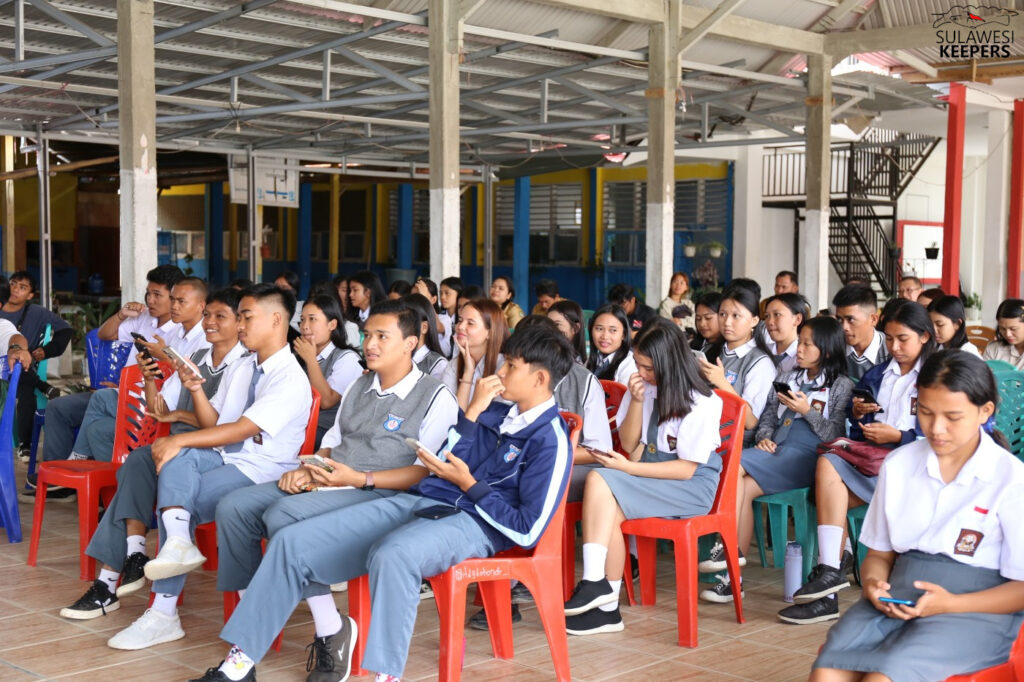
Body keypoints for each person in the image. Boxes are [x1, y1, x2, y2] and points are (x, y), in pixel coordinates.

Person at [195, 324, 575, 682]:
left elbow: (528, 529)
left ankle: (386, 675)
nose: (500, 373)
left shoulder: (550, 440)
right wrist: (473, 413)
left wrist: (470, 486)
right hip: (423, 501)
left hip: (475, 523)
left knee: (395, 554)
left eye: (511, 366)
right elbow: (445, 458)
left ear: (539, 379)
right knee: (290, 541)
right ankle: (239, 665)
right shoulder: (493, 411)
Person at [211, 300, 459, 665]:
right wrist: (311, 468)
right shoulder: (360, 384)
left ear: (409, 343)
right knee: (235, 506)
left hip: (382, 493)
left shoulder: (434, 396)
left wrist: (358, 478)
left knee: (283, 514)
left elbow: (427, 471)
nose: (369, 344)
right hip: (334, 479)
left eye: (382, 337)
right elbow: (332, 444)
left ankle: (318, 625)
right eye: (367, 335)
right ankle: (259, 604)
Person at [93, 284, 312, 650]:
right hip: (228, 458)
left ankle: (163, 611)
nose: (240, 325)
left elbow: (242, 429)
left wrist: (179, 439)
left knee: (180, 492)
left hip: (262, 470)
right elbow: (215, 423)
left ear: (276, 321)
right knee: (172, 470)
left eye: (246, 317)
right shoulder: (246, 366)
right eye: (239, 317)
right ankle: (174, 554)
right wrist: (194, 391)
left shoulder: (288, 377)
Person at [810, 351, 1024, 681]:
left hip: (974, 610)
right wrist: (873, 585)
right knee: (827, 672)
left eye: (952, 417)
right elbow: (879, 555)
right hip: (898, 601)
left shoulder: (1010, 478)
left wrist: (949, 604)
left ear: (985, 411)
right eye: (925, 412)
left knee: (884, 677)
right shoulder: (899, 464)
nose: (936, 429)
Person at [56, 289, 247, 626]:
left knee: (146, 471)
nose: (210, 323)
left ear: (239, 323)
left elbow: (220, 427)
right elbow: (159, 409)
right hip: (176, 446)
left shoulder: (243, 365)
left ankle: (110, 583)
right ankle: (133, 555)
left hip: (212, 454)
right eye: (208, 316)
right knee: (138, 461)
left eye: (221, 317)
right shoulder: (197, 356)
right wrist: (149, 378)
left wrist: (182, 415)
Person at [779, 301, 934, 625]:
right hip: (877, 465)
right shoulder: (880, 374)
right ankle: (829, 574)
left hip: (918, 470)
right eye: (889, 338)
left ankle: (828, 588)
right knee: (828, 463)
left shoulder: (938, 376)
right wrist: (859, 414)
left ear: (924, 336)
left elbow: (946, 433)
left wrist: (899, 436)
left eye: (903, 339)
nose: (894, 347)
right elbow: (856, 423)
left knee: (829, 495)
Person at [563, 321, 723, 635]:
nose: (641, 373)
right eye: (637, 364)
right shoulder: (644, 388)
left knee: (598, 479)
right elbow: (628, 440)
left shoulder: (703, 401)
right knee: (608, 508)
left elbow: (685, 469)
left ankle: (595, 584)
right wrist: (636, 401)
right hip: (652, 475)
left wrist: (628, 469)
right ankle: (607, 609)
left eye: (648, 367)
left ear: (669, 363)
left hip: (689, 487)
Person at [466, 315, 612, 629]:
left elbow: (599, 449)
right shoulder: (508, 387)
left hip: (569, 465)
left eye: (513, 363)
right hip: (512, 465)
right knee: (494, 485)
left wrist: (534, 458)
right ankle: (501, 589)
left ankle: (508, 585)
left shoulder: (583, 381)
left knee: (517, 495)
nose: (504, 370)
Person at [702, 317, 853, 603]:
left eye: (807, 344)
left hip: (808, 457)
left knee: (731, 465)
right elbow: (769, 417)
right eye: (800, 342)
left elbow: (834, 434)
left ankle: (727, 549)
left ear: (827, 350)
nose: (800, 349)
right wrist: (764, 437)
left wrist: (807, 411)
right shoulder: (788, 376)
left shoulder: (840, 385)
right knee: (742, 489)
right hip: (777, 450)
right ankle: (733, 577)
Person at [35, 277, 209, 477]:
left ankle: (76, 461)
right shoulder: (163, 326)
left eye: (178, 300)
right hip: (139, 396)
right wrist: (122, 315)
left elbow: (189, 377)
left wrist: (162, 358)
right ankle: (101, 486)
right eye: (149, 294)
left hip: (155, 405)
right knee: (95, 428)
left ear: (200, 305)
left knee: (101, 400)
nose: (152, 300)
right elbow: (103, 335)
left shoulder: (193, 335)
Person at [0, 270, 73, 453]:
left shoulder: (36, 312)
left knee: (21, 372)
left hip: (23, 365)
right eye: (13, 283)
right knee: (23, 377)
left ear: (30, 295)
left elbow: (65, 330)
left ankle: (25, 445)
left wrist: (47, 351)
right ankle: (42, 386)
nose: (15, 289)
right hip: (10, 368)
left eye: (22, 287)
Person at [698, 285, 775, 446]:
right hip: (700, 431)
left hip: (730, 443)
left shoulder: (760, 363)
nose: (727, 322)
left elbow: (750, 422)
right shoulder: (711, 351)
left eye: (736, 316)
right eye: (722, 314)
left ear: (754, 320)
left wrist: (722, 383)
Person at [291, 294, 364, 449]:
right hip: (298, 425)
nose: (304, 326)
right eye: (302, 319)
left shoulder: (347, 358)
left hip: (325, 433)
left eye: (312, 319)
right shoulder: (300, 355)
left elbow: (325, 402)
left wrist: (311, 360)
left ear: (332, 324)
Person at [443, 298, 509, 410]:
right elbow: (448, 412)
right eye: (460, 320)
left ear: (490, 333)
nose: (460, 327)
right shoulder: (454, 364)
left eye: (470, 323)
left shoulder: (503, 367)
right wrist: (468, 372)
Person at [833, 284, 889, 381]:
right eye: (839, 319)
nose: (844, 327)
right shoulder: (832, 348)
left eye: (850, 319)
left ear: (873, 319)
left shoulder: (891, 351)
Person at [585, 304, 636, 385]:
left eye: (613, 330)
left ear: (624, 334)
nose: (605, 336)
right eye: (599, 329)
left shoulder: (629, 364)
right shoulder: (593, 359)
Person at [403, 293, 449, 379]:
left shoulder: (438, 365)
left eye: (405, 322)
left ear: (424, 327)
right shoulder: (396, 358)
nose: (399, 328)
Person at [763, 293, 809, 375]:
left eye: (777, 314)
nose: (770, 322)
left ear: (797, 319)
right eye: (767, 316)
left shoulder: (805, 358)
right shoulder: (762, 352)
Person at [984, 298, 1024, 371]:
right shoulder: (993, 349)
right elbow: (984, 375)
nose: (1007, 334)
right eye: (1002, 328)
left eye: (1013, 329)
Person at [692, 291, 724, 362]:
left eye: (708, 318)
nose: (702, 324)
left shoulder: (726, 351)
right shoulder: (694, 344)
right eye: (698, 318)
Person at [437, 276, 462, 357]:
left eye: (447, 293)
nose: (442, 297)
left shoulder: (463, 318)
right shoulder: (438, 316)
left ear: (458, 294)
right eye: (441, 293)